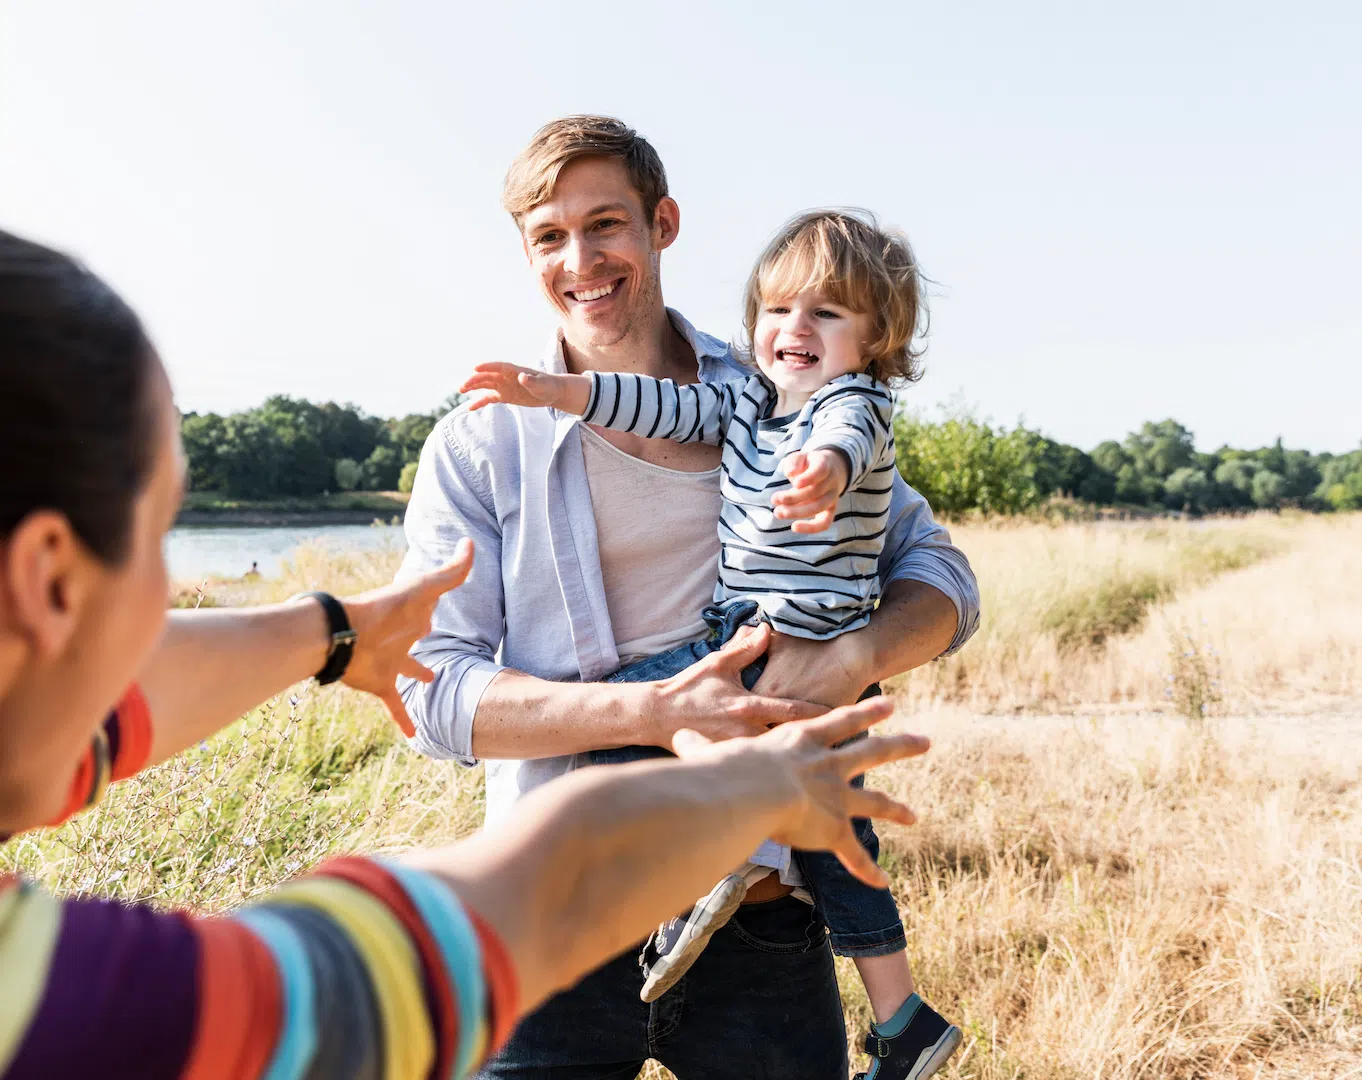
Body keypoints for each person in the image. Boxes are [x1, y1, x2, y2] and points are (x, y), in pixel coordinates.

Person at [0, 228, 931, 1078]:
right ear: (46, 582)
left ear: (661, 224)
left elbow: (110, 706)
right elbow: (418, 945)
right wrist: (752, 783)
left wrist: (325, 635)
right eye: (161, 532)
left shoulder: (775, 402)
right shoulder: (66, 1004)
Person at [397, 115, 981, 1079]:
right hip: (554, 916)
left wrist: (852, 657)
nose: (580, 258)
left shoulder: (773, 396)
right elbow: (429, 697)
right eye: (549, 235)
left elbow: (942, 577)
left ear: (662, 222)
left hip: (760, 924)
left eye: (605, 224)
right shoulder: (480, 443)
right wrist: (657, 712)